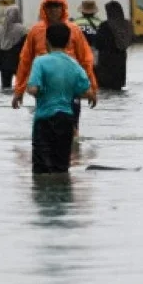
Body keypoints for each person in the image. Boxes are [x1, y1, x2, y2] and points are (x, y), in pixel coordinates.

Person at [12, 0, 97, 133]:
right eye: (49, 6)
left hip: (70, 85)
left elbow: (85, 60)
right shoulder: (36, 31)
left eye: (57, 6)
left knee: (72, 129)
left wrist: (91, 88)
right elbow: (25, 61)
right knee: (47, 129)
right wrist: (18, 91)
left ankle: (73, 153)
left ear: (63, 8)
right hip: (45, 89)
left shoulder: (74, 30)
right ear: (44, 9)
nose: (53, 10)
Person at [27, 22, 96, 174]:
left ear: (47, 41)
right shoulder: (74, 64)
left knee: (41, 170)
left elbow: (33, 89)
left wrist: (38, 90)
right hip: (66, 120)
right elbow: (88, 92)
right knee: (62, 167)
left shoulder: (40, 62)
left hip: (44, 120)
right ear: (68, 42)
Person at [95, 0, 133, 90]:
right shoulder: (127, 24)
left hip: (106, 61)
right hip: (121, 60)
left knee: (105, 88)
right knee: (117, 86)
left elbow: (98, 43)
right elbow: (131, 41)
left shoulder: (105, 25)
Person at [0, 5, 27, 93]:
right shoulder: (22, 29)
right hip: (18, 63)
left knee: (5, 89)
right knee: (21, 88)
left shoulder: (0, 29)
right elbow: (26, 49)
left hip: (3, 64)